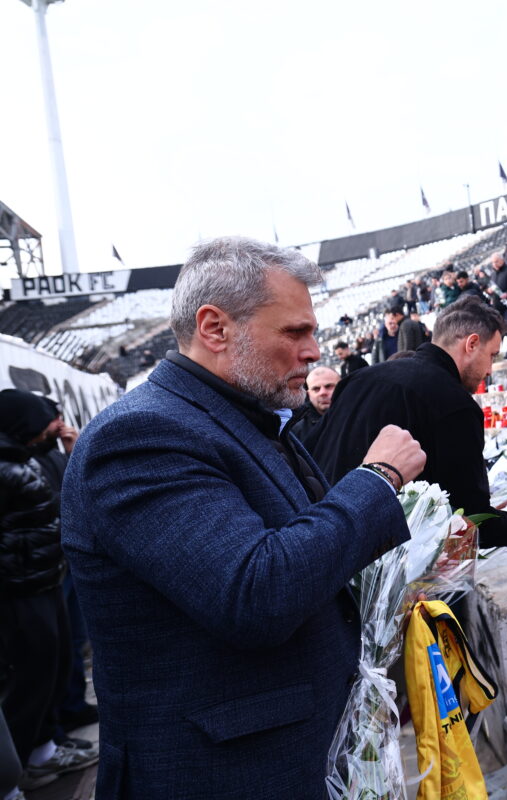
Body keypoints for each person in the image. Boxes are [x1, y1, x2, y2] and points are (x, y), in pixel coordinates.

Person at [60, 236, 428, 799]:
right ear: (215, 329)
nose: (313, 351)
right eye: (295, 332)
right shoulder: (139, 436)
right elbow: (255, 592)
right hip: (224, 775)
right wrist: (377, 478)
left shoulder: (245, 416)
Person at [311, 296, 507, 549]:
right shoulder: (453, 403)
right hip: (379, 559)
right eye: (492, 355)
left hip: (322, 536)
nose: (490, 369)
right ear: (472, 344)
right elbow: (469, 520)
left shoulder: (360, 378)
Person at [0, 390, 99, 793]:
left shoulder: (21, 459)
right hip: (19, 588)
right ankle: (14, 773)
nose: (52, 427)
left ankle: (41, 751)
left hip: (42, 578)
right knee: (31, 676)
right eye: (44, 420)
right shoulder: (8, 466)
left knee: (52, 667)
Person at [284, 365, 339, 448]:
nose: (322, 392)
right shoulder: (296, 432)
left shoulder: (360, 418)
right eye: (316, 389)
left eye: (329, 386)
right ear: (309, 394)